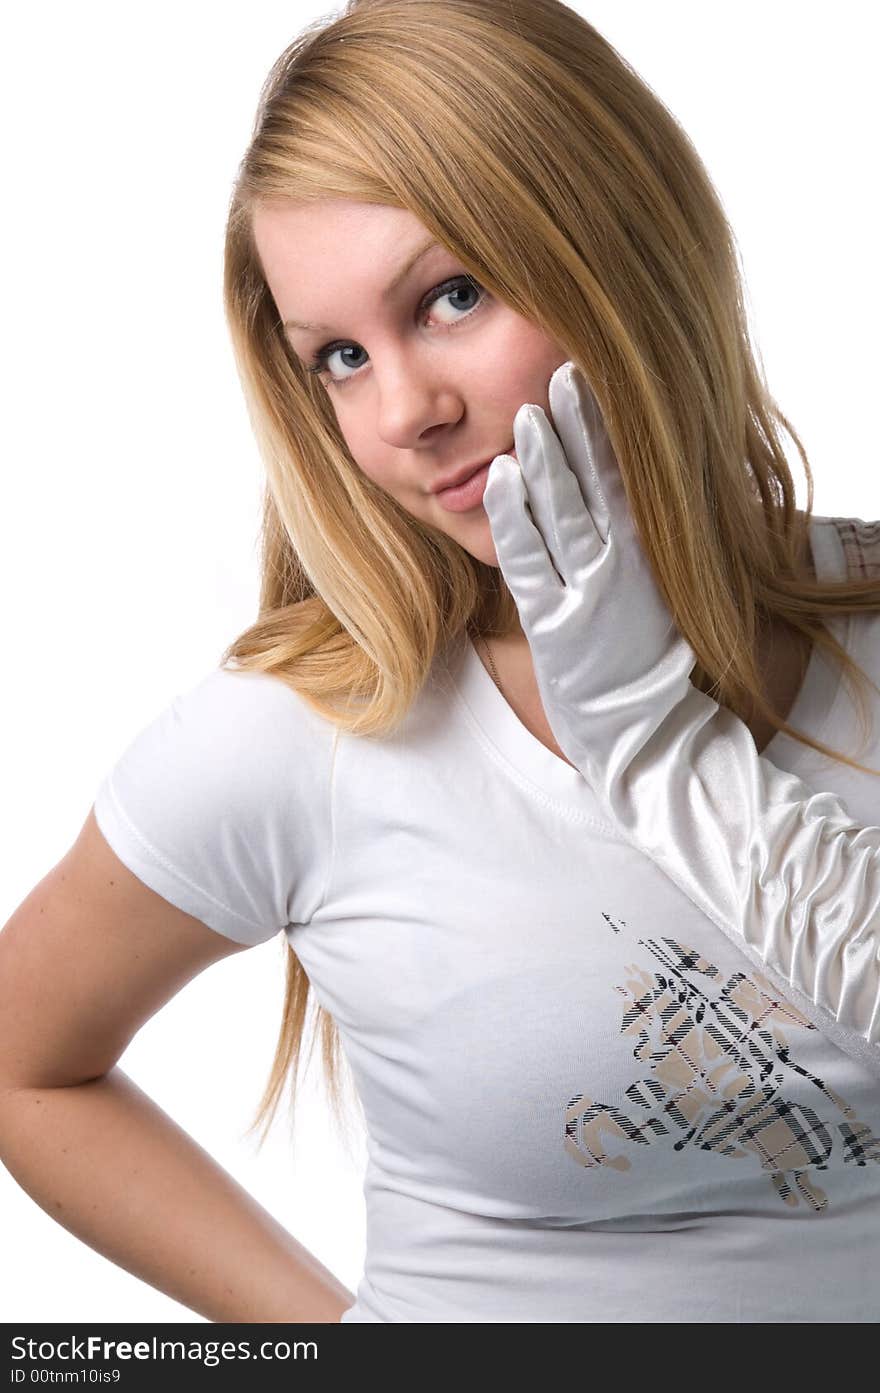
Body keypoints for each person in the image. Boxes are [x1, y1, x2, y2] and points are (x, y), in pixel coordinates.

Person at [1, 0, 879, 1324]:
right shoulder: (298, 733)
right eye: (340, 358)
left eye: (450, 297)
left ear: (625, 249)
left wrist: (659, 750)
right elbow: (24, 1064)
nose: (407, 410)